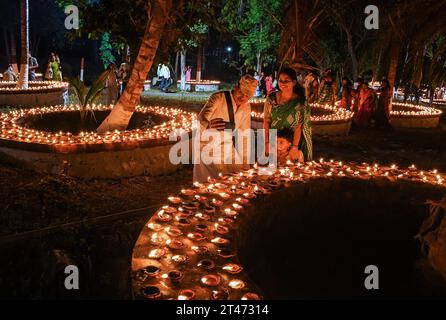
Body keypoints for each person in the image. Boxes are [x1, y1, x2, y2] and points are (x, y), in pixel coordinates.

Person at [193, 74, 258, 182]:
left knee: (238, 170)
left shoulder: (246, 107)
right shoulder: (218, 98)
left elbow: (244, 136)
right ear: (236, 87)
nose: (243, 97)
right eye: (241, 93)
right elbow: (200, 119)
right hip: (208, 145)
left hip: (227, 145)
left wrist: (246, 164)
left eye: (247, 96)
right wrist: (208, 125)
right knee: (219, 175)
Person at [263, 67, 313, 164]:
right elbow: (266, 121)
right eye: (280, 80)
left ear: (294, 82)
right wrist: (266, 142)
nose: (282, 83)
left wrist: (294, 146)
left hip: (290, 142)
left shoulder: (301, 102)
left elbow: (299, 126)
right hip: (273, 139)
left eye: (286, 81)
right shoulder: (271, 98)